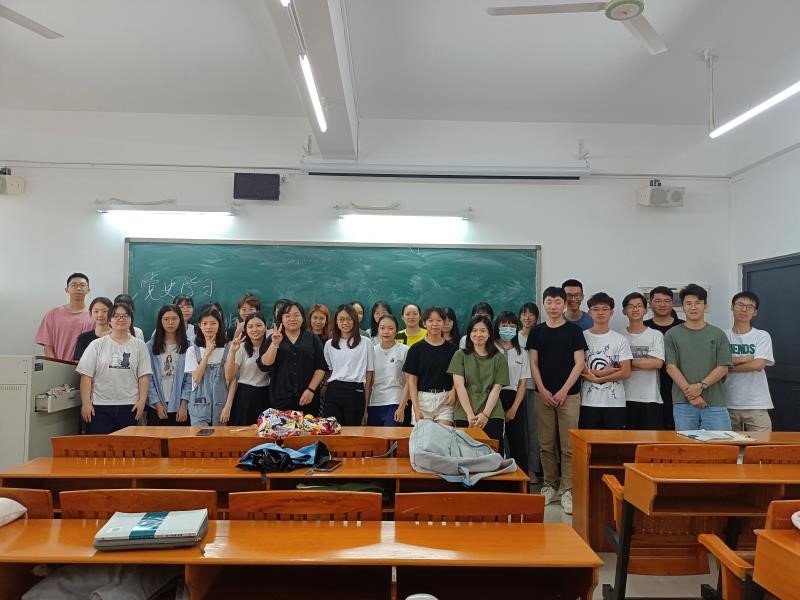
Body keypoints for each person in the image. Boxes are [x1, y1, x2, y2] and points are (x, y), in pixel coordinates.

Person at [526, 286, 587, 515]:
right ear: (544, 304)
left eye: (557, 302)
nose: (553, 306)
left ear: (564, 304)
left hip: (568, 396)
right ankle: (549, 485)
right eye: (549, 302)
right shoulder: (537, 332)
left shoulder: (574, 331)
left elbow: (579, 363)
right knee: (545, 444)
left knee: (569, 446)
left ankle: (567, 490)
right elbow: (533, 363)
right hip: (542, 395)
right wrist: (542, 389)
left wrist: (563, 390)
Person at [664, 284, 733, 431]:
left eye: (697, 303)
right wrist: (692, 395)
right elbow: (670, 367)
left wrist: (701, 386)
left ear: (705, 306)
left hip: (715, 402)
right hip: (683, 403)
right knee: (686, 444)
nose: (693, 307)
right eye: (688, 303)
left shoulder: (718, 334)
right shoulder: (672, 334)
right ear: (683, 307)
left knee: (721, 443)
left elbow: (723, 367)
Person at [76, 301, 152, 434]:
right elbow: (86, 376)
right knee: (99, 446)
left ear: (131, 319)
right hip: (99, 406)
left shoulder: (139, 345)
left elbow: (144, 376)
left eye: (125, 315)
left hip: (129, 406)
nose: (121, 319)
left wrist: (142, 401)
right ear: (109, 320)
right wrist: (86, 403)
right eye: (116, 316)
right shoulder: (97, 344)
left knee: (125, 446)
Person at [258, 301, 326, 415]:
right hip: (280, 399)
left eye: (296, 315)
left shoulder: (313, 339)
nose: (292, 319)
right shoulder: (273, 338)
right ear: (281, 319)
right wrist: (275, 344)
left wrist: (310, 390)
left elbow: (321, 367)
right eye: (287, 316)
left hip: (307, 399)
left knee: (307, 426)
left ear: (303, 318)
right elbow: (265, 364)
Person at [449, 315, 510, 443]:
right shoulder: (460, 355)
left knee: (492, 451)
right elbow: (459, 386)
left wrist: (485, 415)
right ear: (469, 334)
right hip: (464, 413)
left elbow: (497, 388)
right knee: (463, 451)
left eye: (483, 330)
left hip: (492, 413)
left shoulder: (499, 358)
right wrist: (470, 415)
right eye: (474, 330)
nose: (478, 334)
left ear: (489, 334)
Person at [579, 293, 632, 430]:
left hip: (615, 403)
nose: (600, 312)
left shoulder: (620, 339)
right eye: (596, 309)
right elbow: (578, 368)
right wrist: (602, 372)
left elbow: (625, 371)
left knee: (614, 442)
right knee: (588, 441)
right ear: (589, 312)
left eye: (605, 309)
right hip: (588, 402)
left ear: (611, 312)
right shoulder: (581, 337)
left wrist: (598, 378)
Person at [725, 292, 775, 432]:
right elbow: (716, 362)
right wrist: (746, 358)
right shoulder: (722, 336)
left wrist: (728, 367)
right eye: (740, 305)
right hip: (727, 402)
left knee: (763, 444)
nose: (744, 309)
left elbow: (758, 364)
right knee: (729, 444)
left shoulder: (762, 335)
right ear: (732, 307)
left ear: (755, 312)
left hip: (756, 403)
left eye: (750, 307)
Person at [404, 307, 458, 425]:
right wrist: (416, 409)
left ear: (444, 323)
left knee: (443, 434)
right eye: (430, 320)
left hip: (445, 399)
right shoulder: (415, 349)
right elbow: (412, 380)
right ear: (424, 323)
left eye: (439, 320)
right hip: (422, 399)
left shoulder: (453, 350)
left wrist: (453, 391)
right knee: (424, 436)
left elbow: (457, 375)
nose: (435, 324)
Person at [323, 304, 374, 426]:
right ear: (336, 321)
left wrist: (365, 408)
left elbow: (369, 376)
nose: (345, 322)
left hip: (355, 391)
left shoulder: (366, 343)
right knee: (332, 430)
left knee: (353, 431)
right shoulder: (329, 344)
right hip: (334, 390)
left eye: (349, 319)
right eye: (341, 319)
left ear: (355, 320)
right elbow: (330, 371)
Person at [621, 292, 665, 430]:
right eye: (631, 306)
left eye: (639, 306)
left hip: (650, 398)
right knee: (626, 440)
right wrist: (645, 362)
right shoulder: (619, 337)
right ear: (624, 311)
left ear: (646, 310)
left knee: (650, 441)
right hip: (624, 398)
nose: (635, 309)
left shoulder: (656, 335)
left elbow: (657, 363)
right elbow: (616, 366)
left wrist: (627, 363)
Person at [494, 311, 530, 475]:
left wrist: (514, 408)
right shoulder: (490, 348)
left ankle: (521, 482)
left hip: (515, 398)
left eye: (512, 325)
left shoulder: (522, 352)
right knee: (496, 441)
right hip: (493, 398)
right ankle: (498, 482)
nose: (508, 329)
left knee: (518, 442)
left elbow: (523, 383)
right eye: (504, 325)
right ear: (497, 327)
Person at [644, 285, 684, 429]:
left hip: (678, 384)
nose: (662, 304)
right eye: (658, 301)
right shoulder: (643, 327)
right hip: (650, 384)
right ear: (650, 303)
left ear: (672, 303)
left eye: (666, 301)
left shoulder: (683, 327)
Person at [146, 304, 191, 426]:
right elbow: (148, 378)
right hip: (156, 406)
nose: (170, 323)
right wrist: (156, 403)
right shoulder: (149, 347)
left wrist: (184, 404)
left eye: (174, 319)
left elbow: (190, 379)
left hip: (181, 407)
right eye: (166, 319)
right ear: (160, 321)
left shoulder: (189, 347)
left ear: (180, 320)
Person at [222, 312, 270, 425]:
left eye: (259, 325)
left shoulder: (271, 347)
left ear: (265, 327)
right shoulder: (241, 347)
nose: (255, 329)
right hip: (245, 395)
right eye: (250, 326)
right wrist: (232, 351)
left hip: (266, 395)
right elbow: (229, 375)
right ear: (246, 329)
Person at [185, 305, 230, 426]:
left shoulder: (227, 349)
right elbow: (197, 378)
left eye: (213, 323)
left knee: (219, 438)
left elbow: (231, 379)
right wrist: (207, 353)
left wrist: (228, 406)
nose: (208, 327)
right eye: (204, 323)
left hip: (220, 407)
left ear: (219, 325)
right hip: (199, 407)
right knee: (199, 437)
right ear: (200, 326)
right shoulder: (192, 351)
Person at [35, 272, 95, 361]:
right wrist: (56, 365)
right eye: (74, 285)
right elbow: (48, 346)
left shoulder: (94, 316)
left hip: (85, 367)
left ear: (88, 290)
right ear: (67, 289)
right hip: (57, 366)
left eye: (82, 285)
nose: (78, 288)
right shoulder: (53, 314)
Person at [369, 314, 408, 425]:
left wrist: (401, 407)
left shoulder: (404, 350)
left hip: (395, 401)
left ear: (397, 331)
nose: (386, 331)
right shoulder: (372, 351)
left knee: (391, 435)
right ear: (378, 330)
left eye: (390, 328)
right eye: (382, 328)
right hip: (374, 402)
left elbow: (409, 382)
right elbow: (369, 382)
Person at [518, 302, 541, 479]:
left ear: (537, 317)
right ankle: (518, 466)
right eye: (524, 313)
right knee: (518, 430)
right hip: (516, 388)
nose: (527, 317)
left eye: (531, 314)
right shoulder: (513, 337)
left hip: (535, 388)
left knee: (534, 430)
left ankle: (532, 468)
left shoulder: (541, 335)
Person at [73, 296, 113, 361]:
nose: (100, 315)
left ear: (112, 313)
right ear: (90, 313)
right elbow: (78, 362)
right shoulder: (83, 338)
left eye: (105, 311)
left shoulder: (118, 336)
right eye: (96, 311)